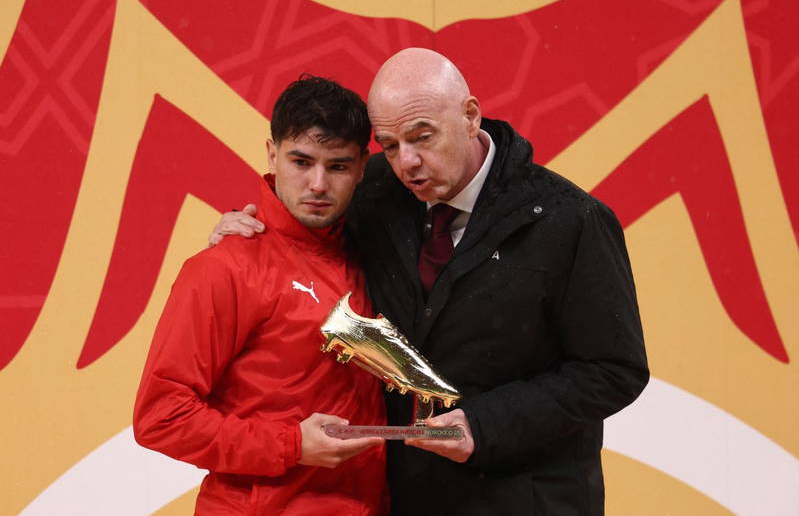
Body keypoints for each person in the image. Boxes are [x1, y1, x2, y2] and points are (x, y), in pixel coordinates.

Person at [212, 49, 649, 515]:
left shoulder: (572, 220)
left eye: (423, 137)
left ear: (470, 116)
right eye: (389, 145)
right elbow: (305, 231)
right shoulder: (374, 190)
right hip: (405, 497)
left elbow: (614, 370)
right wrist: (249, 230)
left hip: (529, 498)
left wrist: (486, 425)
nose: (407, 162)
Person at [133, 76, 389, 515]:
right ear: (272, 154)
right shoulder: (224, 268)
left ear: (363, 166)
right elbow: (161, 417)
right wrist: (290, 445)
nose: (318, 184)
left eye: (338, 167)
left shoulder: (373, 253)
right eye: (301, 161)